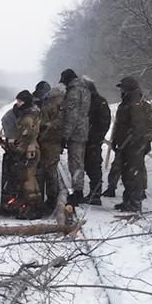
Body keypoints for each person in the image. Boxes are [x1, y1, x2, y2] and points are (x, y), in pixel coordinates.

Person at [109, 76, 152, 212]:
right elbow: (120, 125)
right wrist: (116, 141)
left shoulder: (136, 105)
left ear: (128, 89)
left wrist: (126, 143)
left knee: (134, 174)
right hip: (126, 145)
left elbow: (138, 128)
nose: (121, 91)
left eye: (122, 88)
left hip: (134, 146)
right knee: (126, 173)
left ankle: (135, 203)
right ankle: (127, 201)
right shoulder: (127, 104)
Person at [59, 68, 91, 206]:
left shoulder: (73, 93)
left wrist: (65, 135)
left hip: (75, 132)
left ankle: (77, 193)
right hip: (82, 130)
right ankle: (78, 191)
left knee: (76, 163)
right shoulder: (85, 90)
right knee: (78, 162)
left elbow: (72, 117)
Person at [13, 90, 42, 219]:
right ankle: (35, 206)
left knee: (27, 179)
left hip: (29, 151)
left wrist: (18, 150)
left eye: (19, 101)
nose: (17, 104)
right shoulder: (34, 113)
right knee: (32, 178)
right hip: (34, 149)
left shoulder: (27, 118)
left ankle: (29, 209)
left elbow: (26, 137)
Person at [35, 83, 64, 212]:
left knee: (44, 171)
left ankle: (44, 199)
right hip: (53, 142)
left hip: (48, 142)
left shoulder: (50, 105)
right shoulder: (59, 104)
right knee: (50, 171)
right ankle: (51, 199)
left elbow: (50, 124)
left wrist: (44, 129)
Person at [84, 81, 112, 205]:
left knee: (94, 166)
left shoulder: (99, 102)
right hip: (88, 139)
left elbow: (104, 122)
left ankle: (95, 194)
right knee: (89, 166)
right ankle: (94, 192)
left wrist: (96, 137)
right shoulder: (91, 102)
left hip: (93, 140)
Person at [0, 104, 21, 208]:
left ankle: (10, 200)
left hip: (15, 149)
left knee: (11, 176)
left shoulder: (9, 115)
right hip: (15, 149)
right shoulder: (9, 116)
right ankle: (13, 200)